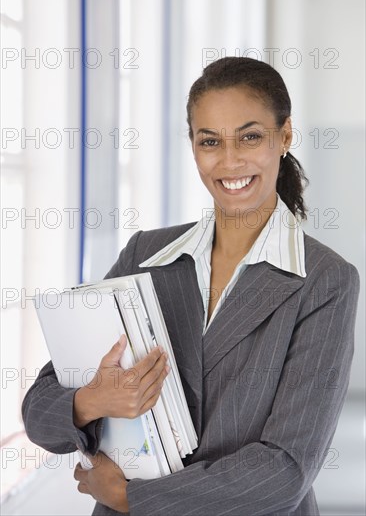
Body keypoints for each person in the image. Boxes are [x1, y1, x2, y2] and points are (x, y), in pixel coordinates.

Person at [22, 57, 360, 516]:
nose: (229, 159)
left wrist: (128, 496)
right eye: (210, 141)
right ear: (193, 146)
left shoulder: (323, 280)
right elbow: (39, 414)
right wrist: (92, 400)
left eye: (250, 136)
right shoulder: (146, 255)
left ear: (285, 136)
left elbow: (285, 471)